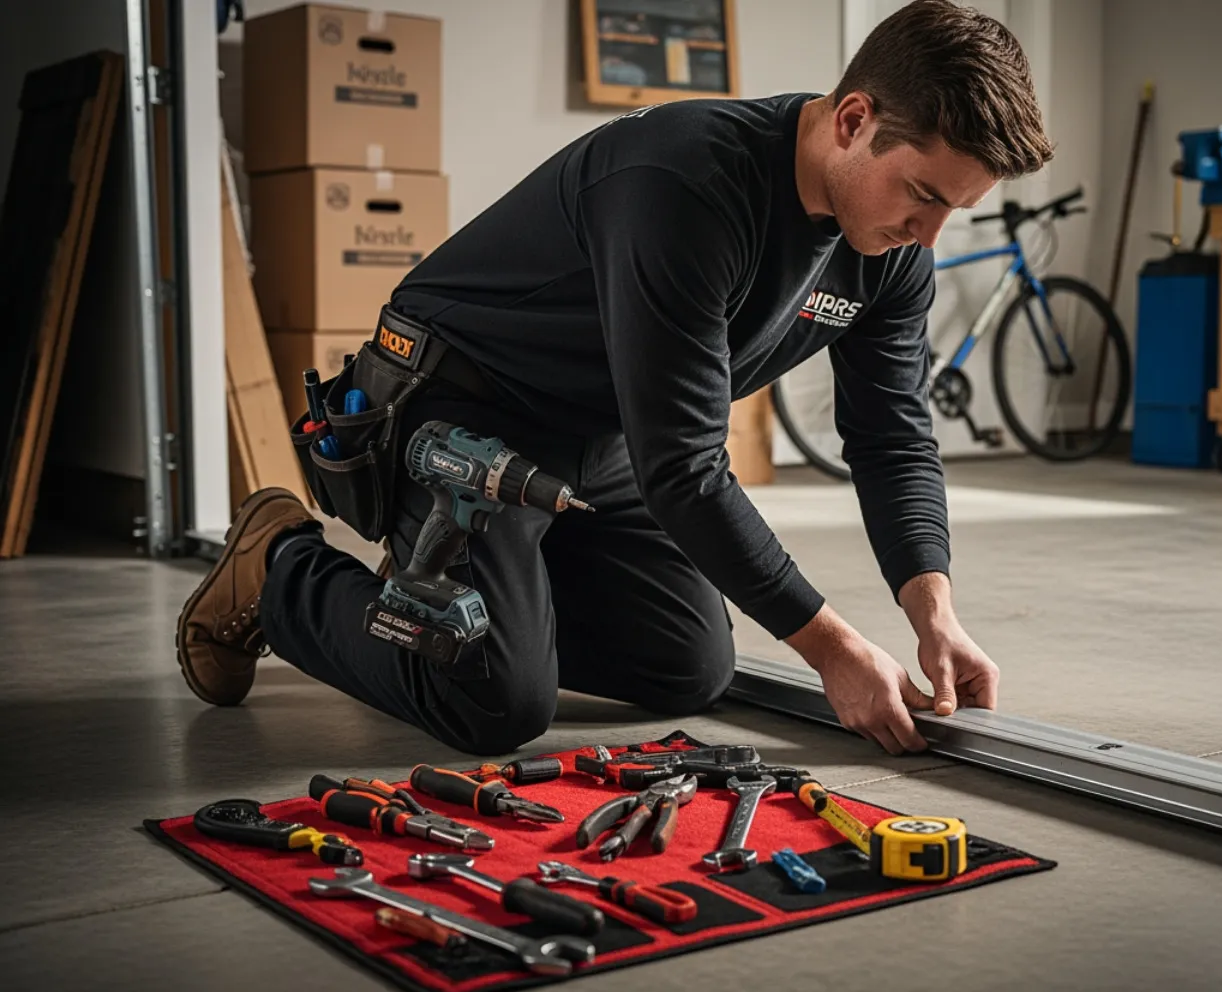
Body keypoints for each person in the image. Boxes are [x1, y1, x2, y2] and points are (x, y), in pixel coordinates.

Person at [176, 0, 1051, 756]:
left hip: (601, 436)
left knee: (686, 668)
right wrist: (830, 648)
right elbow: (686, 469)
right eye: (924, 195)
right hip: (462, 409)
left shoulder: (890, 254)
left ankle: (503, 601)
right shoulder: (687, 184)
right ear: (854, 120)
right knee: (493, 698)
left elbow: (892, 433)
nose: (930, 236)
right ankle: (279, 568)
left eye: (954, 210)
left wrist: (932, 608)